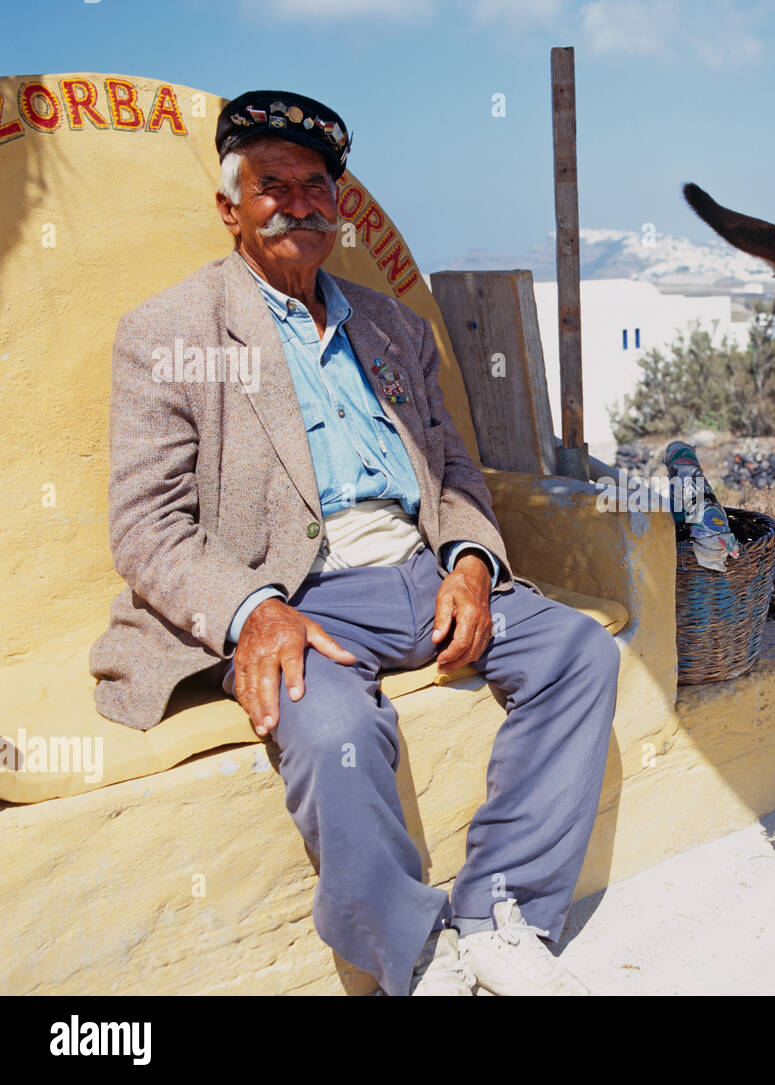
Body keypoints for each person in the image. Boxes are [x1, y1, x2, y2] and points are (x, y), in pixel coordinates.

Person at [89, 89, 620, 996]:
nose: (299, 203)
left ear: (335, 205)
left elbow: (453, 468)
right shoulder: (167, 333)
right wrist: (253, 613)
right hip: (292, 595)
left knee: (579, 653)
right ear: (231, 207)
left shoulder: (392, 327)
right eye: (272, 186)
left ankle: (501, 911)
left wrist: (469, 563)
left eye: (316, 187)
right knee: (334, 728)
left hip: (420, 570)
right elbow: (146, 523)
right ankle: (410, 951)